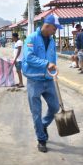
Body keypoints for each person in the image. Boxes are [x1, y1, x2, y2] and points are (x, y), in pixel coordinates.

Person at [22, 14, 61, 153]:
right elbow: (29, 57)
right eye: (55, 28)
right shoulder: (32, 38)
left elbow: (52, 57)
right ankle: (41, 139)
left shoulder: (51, 40)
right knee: (36, 113)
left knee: (55, 107)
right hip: (34, 81)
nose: (55, 31)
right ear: (48, 25)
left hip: (48, 80)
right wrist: (46, 64)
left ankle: (43, 125)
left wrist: (54, 67)